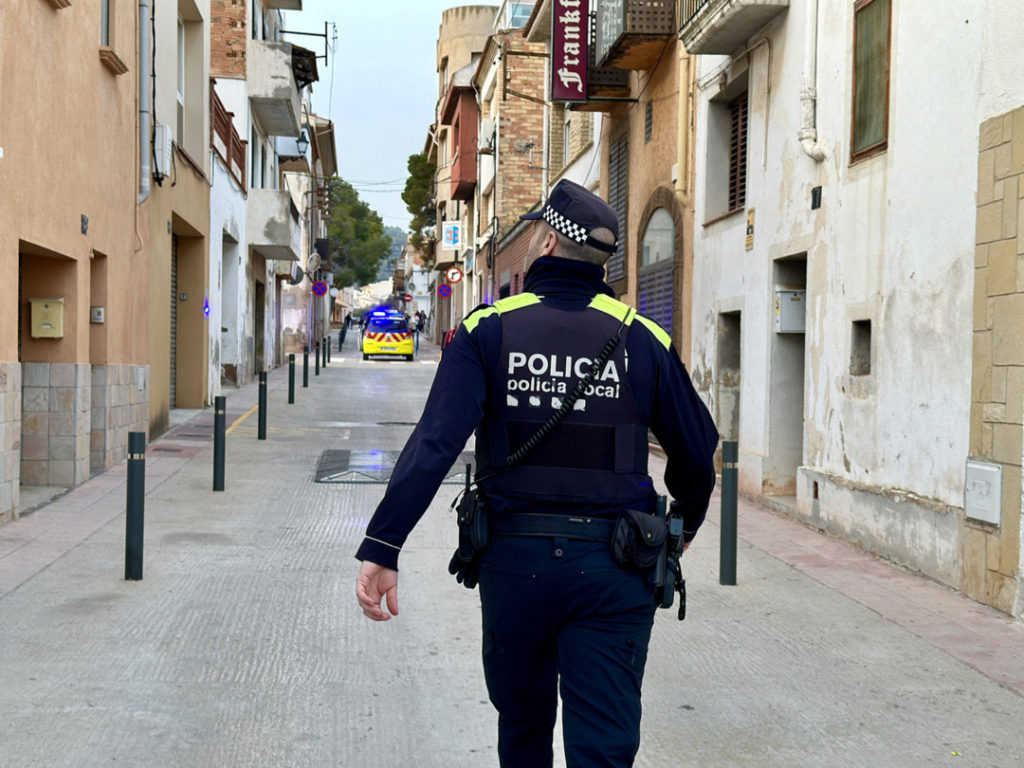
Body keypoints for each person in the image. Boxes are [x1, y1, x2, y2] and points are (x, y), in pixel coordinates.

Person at [355, 179, 718, 767]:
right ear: (601, 262)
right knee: (603, 746)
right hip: (616, 569)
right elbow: (699, 453)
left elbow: (435, 444)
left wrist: (384, 544)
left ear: (546, 242)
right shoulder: (645, 339)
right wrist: (684, 530)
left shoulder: (488, 328)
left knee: (522, 732)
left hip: (512, 563)